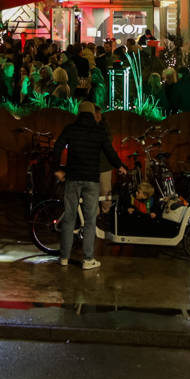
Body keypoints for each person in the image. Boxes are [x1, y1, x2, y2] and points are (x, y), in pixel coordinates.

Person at [55, 100, 124, 269]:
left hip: (73, 178)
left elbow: (57, 147)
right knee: (90, 220)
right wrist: (120, 166)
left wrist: (57, 169)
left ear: (79, 113)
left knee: (69, 218)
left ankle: (64, 257)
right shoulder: (99, 131)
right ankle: (88, 259)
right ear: (93, 113)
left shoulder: (70, 129)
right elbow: (110, 151)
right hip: (92, 180)